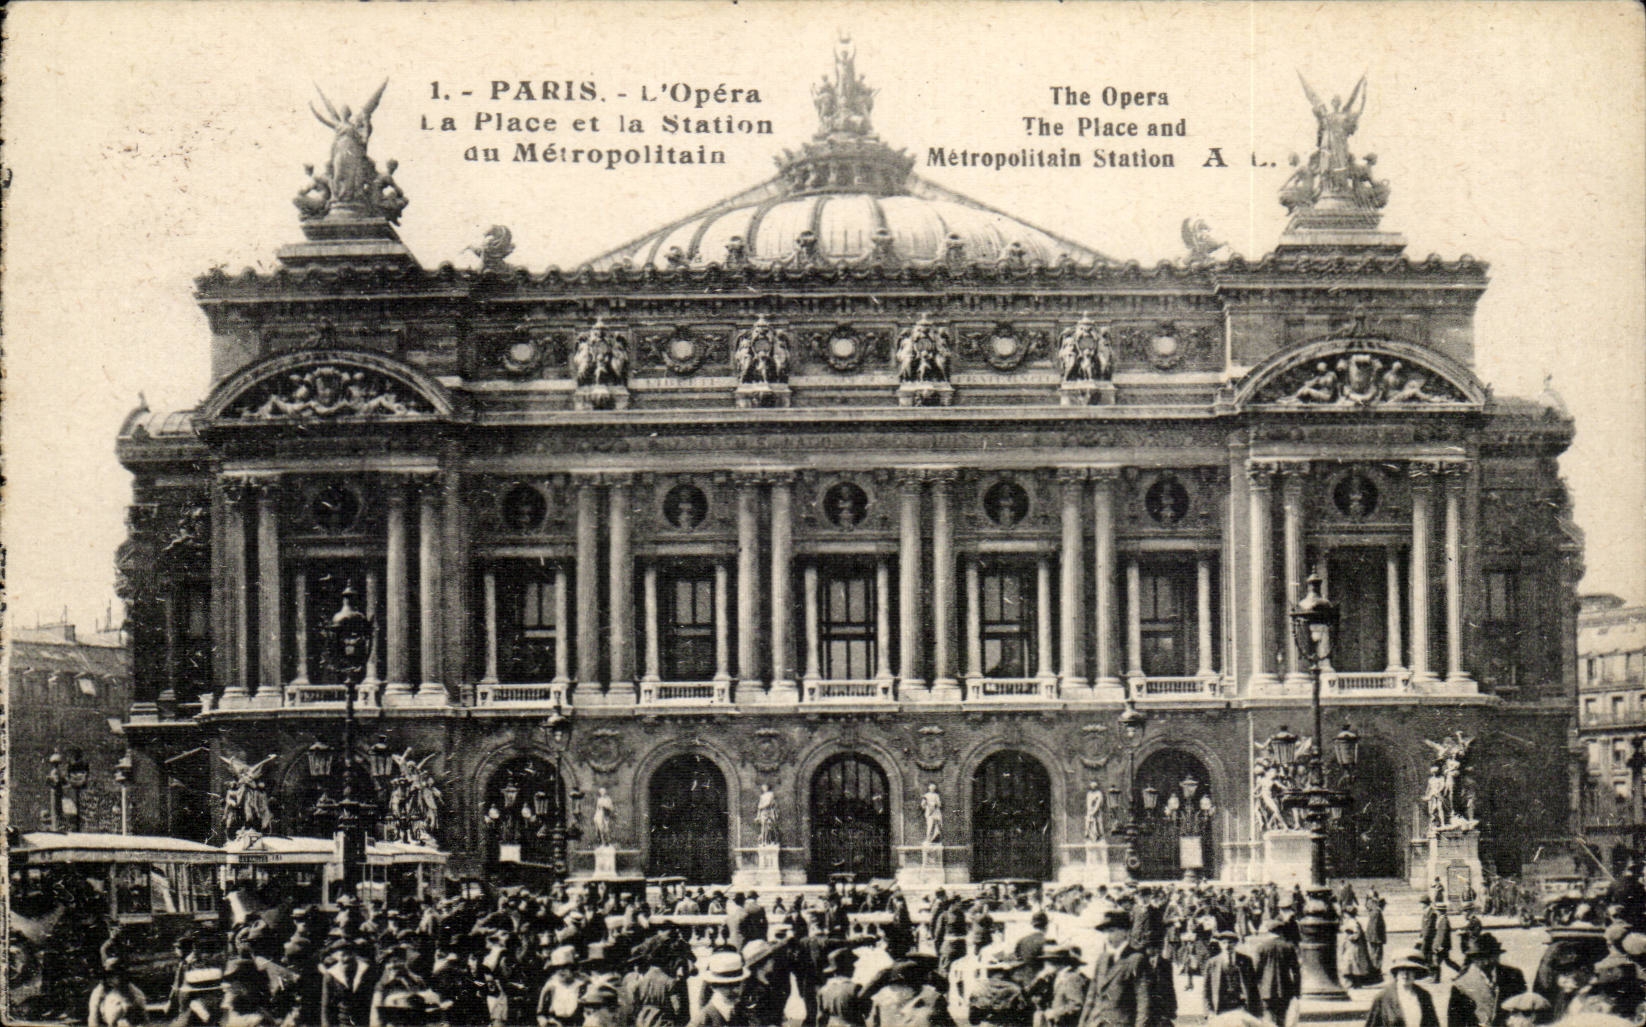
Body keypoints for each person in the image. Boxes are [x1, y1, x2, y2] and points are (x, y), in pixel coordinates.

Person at [1076, 909, 1150, 1027]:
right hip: (1096, 1022)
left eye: (1112, 931)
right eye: (1105, 932)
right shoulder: (1102, 959)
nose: (1108, 936)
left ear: (1125, 932)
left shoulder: (1135, 959)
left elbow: (1143, 1001)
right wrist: (1082, 1023)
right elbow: (1091, 995)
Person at [1446, 934, 1528, 1027]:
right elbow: (1455, 1022)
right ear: (1473, 959)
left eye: (1490, 956)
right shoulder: (1461, 985)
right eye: (1481, 958)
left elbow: (1525, 1008)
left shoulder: (1514, 975)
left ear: (1497, 955)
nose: (1486, 962)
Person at [1240, 917, 1301, 1027]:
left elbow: (1256, 970)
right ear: (1281, 931)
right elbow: (1296, 971)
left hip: (1266, 989)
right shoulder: (1288, 946)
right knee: (1283, 1018)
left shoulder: (1262, 948)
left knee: (1268, 1019)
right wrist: (1297, 990)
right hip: (1285, 988)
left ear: (1269, 932)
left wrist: (1256, 987)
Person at [1365, 949, 1440, 1027]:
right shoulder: (1383, 997)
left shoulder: (1424, 996)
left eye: (1410, 970)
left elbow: (1433, 1024)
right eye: (1401, 969)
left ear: (1416, 972)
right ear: (1396, 972)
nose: (1405, 974)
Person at [689, 951, 749, 1027]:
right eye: (725, 985)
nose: (734, 990)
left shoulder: (740, 1012)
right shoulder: (702, 1021)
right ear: (713, 986)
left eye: (737, 984)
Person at [819, 947, 868, 1027]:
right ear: (847, 967)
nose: (854, 967)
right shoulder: (855, 988)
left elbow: (821, 1018)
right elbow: (866, 1012)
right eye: (851, 964)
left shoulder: (824, 990)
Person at [1203, 932, 1247, 1016]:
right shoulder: (1212, 962)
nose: (1227, 946)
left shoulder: (1245, 960)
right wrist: (1208, 1011)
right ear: (1219, 944)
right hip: (1221, 1005)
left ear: (1236, 943)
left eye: (1230, 942)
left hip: (1240, 1005)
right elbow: (1206, 989)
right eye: (1224, 943)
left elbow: (1253, 986)